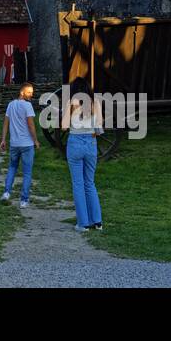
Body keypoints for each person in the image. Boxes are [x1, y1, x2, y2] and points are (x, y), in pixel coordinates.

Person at [63, 85, 104, 231]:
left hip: (75, 142)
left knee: (78, 184)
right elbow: (99, 127)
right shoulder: (95, 102)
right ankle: (97, 221)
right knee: (90, 183)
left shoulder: (71, 103)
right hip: (91, 143)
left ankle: (83, 223)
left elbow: (63, 126)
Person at [0, 82, 39, 207]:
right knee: (27, 173)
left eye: (32, 93)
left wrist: (3, 139)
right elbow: (31, 125)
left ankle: (6, 192)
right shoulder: (27, 106)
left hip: (14, 144)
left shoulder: (11, 105)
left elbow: (6, 123)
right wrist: (36, 140)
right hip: (27, 144)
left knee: (12, 167)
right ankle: (24, 200)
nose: (31, 95)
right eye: (29, 92)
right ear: (22, 92)